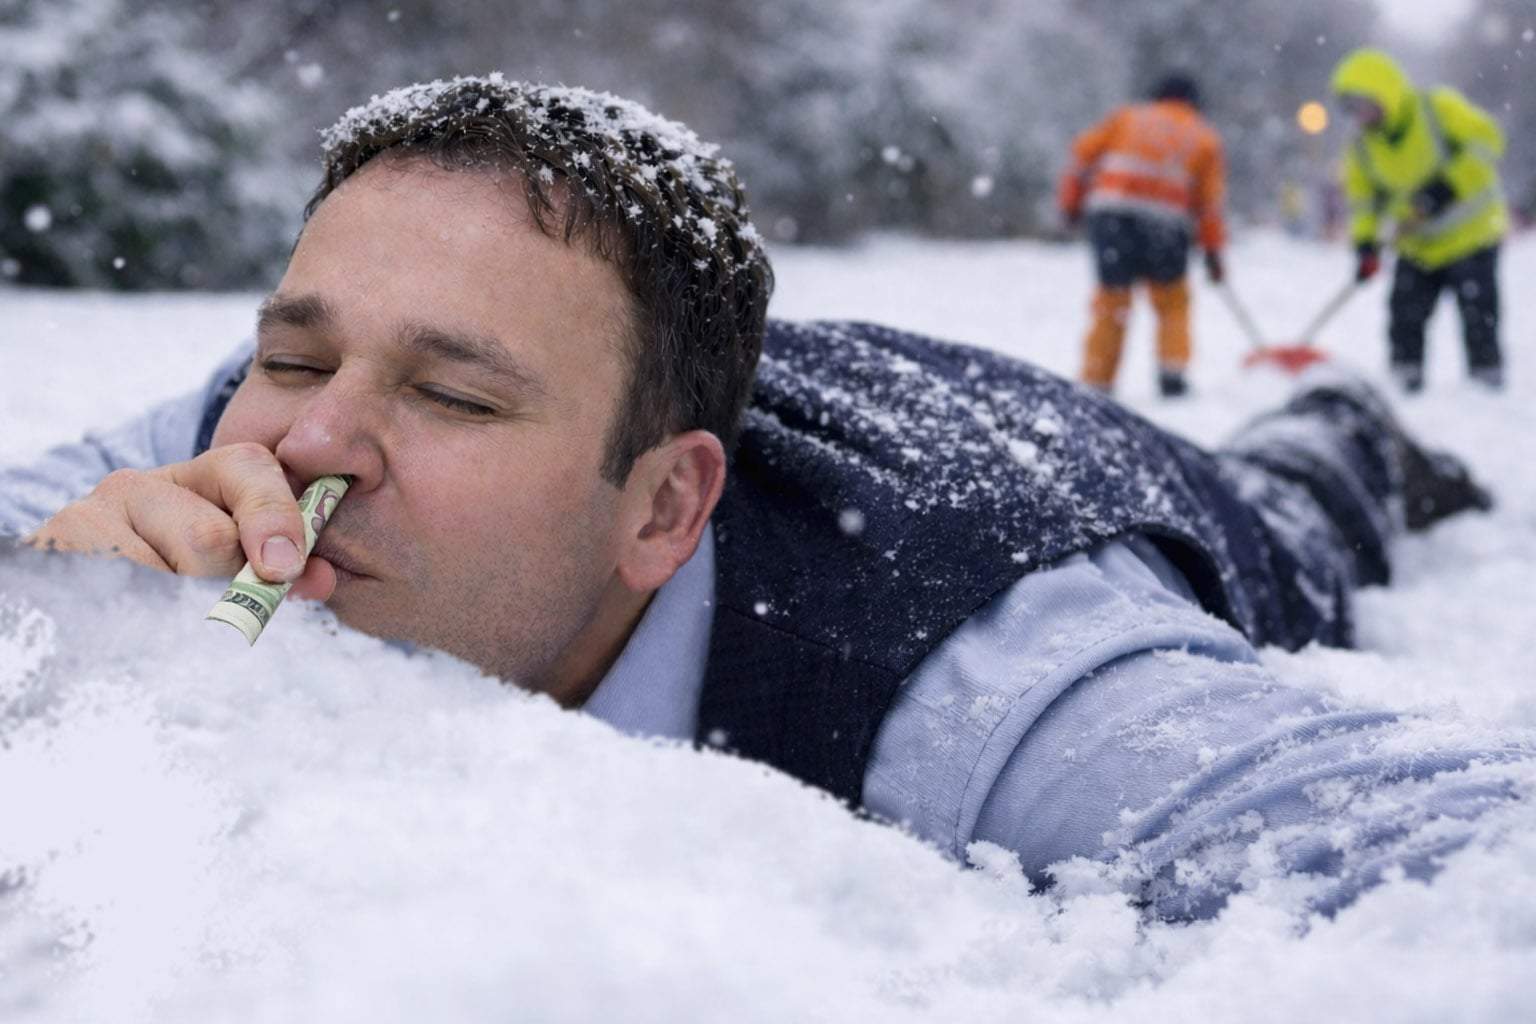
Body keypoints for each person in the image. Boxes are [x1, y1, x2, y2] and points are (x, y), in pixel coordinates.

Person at [0, 76, 1521, 921]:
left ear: (662, 512)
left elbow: (1478, 876)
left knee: (1316, 478)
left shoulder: (981, 676)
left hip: (1069, 473)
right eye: (293, 349)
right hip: (748, 393)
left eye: (454, 394)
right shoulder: (251, 424)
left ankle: (1353, 429)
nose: (319, 438)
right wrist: (46, 617)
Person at [1332, 48, 1509, 392]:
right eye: (1352, 107)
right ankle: (1405, 383)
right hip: (1417, 244)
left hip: (1472, 236)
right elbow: (1364, 201)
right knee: (1405, 315)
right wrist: (1366, 243)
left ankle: (1487, 384)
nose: (1361, 115)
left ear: (1385, 92)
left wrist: (1444, 189)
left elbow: (1487, 142)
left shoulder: (1436, 108)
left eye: (1365, 103)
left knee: (1479, 318)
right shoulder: (1363, 147)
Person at [1057, 73, 1227, 398]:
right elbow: (1210, 205)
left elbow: (1080, 156)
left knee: (1113, 299)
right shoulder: (1204, 137)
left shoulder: (1127, 118)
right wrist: (1213, 252)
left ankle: (1097, 378)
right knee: (1172, 300)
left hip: (1113, 216)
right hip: (1166, 224)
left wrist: (1070, 204)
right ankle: (1172, 372)